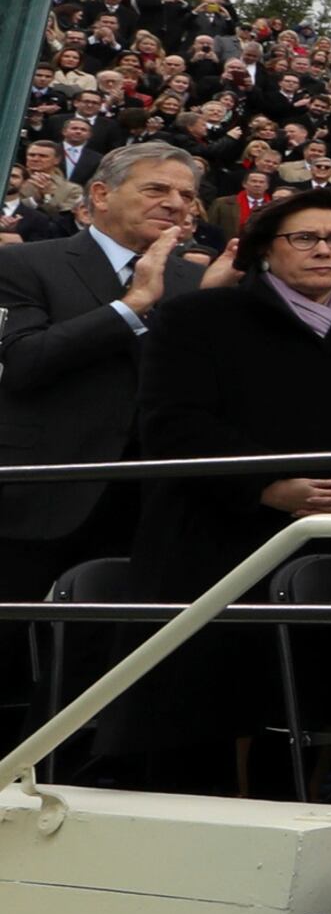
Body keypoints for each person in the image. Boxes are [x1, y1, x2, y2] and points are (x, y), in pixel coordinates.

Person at [113, 185, 331, 793]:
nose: (323, 250)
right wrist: (268, 487)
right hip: (216, 542)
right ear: (265, 249)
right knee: (204, 721)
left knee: (315, 719)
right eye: (304, 237)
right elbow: (175, 425)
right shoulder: (199, 317)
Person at [1, 143, 215, 742]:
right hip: (35, 502)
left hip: (150, 507)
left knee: (101, 675)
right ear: (99, 194)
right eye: (157, 190)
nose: (175, 204)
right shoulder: (25, 265)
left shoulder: (197, 283)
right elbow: (20, 363)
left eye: (186, 195)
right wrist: (132, 305)